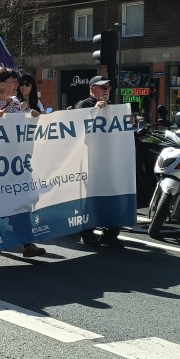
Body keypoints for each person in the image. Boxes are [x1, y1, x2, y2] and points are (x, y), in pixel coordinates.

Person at [0, 68, 47, 258]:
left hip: (15, 162)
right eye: (13, 82)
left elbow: (19, 130)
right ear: (2, 84)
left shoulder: (16, 103)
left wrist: (32, 120)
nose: (17, 85)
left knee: (20, 199)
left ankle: (28, 244)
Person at [74, 75, 124, 249]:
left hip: (108, 159)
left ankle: (111, 233)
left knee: (112, 195)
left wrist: (128, 122)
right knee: (90, 197)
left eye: (108, 87)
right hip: (90, 159)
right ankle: (87, 233)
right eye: (102, 87)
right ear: (92, 89)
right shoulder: (84, 105)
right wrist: (95, 110)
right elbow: (78, 128)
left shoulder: (112, 107)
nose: (106, 90)